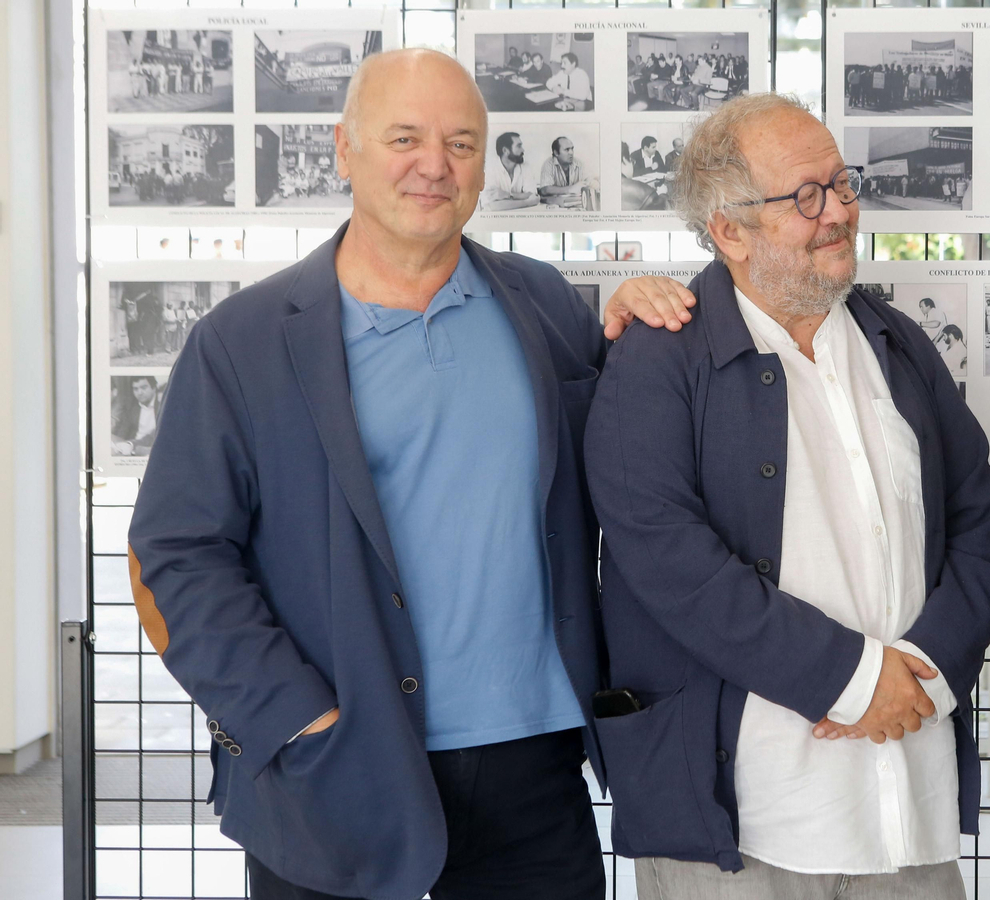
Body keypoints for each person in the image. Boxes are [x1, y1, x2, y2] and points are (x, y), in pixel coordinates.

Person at [125, 48, 700, 900]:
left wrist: (637, 328)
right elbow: (176, 553)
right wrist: (296, 718)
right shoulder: (242, 342)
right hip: (333, 771)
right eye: (405, 137)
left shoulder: (547, 307)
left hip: (535, 770)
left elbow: (630, 474)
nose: (435, 165)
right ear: (344, 149)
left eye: (462, 144)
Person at [584, 92, 990, 900]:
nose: (841, 213)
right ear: (731, 232)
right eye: (805, 198)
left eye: (842, 185)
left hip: (905, 806)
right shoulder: (656, 361)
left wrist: (919, 671)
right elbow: (668, 563)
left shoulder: (898, 342)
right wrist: (854, 679)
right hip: (740, 828)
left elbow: (981, 525)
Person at [110, 374, 163, 456]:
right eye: (135, 389)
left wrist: (131, 444)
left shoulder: (162, 406)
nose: (139, 392)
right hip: (132, 449)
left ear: (153, 388)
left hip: (152, 449)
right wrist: (120, 444)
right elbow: (123, 429)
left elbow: (156, 435)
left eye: (144, 388)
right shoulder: (133, 407)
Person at [482, 131, 535, 209]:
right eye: (519, 146)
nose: (523, 150)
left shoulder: (525, 166)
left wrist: (507, 195)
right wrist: (527, 202)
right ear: (505, 151)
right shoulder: (489, 169)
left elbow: (533, 195)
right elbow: (494, 206)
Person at [537, 136, 590, 209]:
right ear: (556, 153)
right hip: (556, 207)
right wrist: (570, 189)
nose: (571, 152)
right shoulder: (548, 164)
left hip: (575, 205)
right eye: (567, 149)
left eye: (572, 149)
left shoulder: (579, 163)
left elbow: (588, 182)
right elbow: (544, 190)